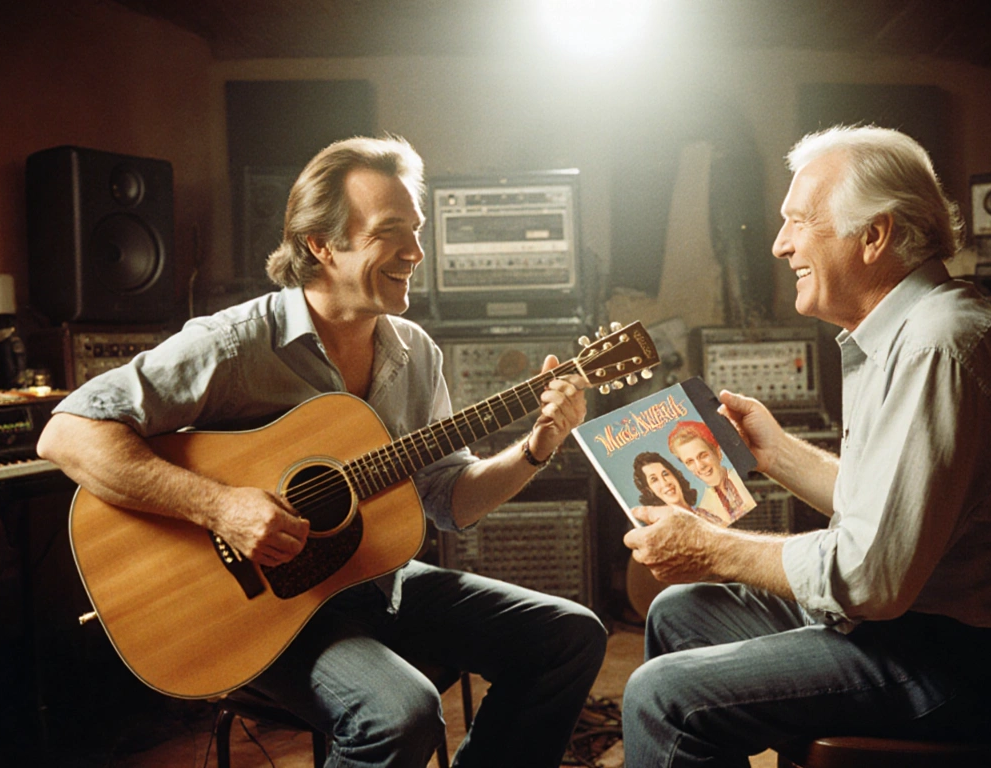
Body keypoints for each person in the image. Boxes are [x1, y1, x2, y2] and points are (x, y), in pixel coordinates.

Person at [37, 136, 607, 768]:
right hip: (262, 611)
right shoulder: (234, 345)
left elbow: (451, 501)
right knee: (401, 714)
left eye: (416, 232)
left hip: (375, 581)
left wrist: (536, 447)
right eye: (390, 233)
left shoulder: (416, 353)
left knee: (569, 636)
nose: (416, 253)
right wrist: (220, 506)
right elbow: (67, 433)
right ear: (321, 245)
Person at [621, 125, 991, 768]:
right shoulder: (916, 330)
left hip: (945, 665)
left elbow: (869, 576)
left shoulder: (936, 347)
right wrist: (776, 453)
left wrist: (712, 547)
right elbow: (895, 511)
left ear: (874, 235)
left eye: (799, 222)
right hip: (904, 632)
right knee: (677, 613)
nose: (780, 245)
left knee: (661, 696)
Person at [667, 421, 751, 523]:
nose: (700, 466)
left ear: (718, 453)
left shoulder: (748, 477)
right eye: (690, 462)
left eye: (703, 455)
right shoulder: (705, 508)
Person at [632, 451, 727, 525]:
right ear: (649, 490)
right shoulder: (668, 528)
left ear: (675, 475)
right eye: (654, 480)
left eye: (665, 474)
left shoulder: (704, 512)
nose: (665, 483)